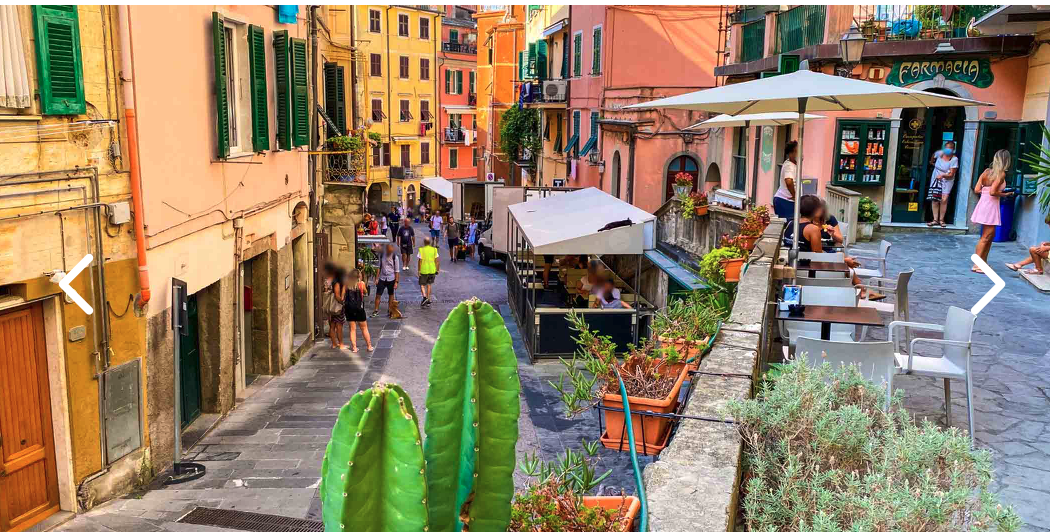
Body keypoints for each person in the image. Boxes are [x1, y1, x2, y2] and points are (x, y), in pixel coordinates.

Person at [971, 149, 1012, 273]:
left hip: (984, 203)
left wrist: (986, 189)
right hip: (991, 205)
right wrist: (1005, 194)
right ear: (1006, 161)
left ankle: (983, 262)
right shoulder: (1001, 174)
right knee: (986, 236)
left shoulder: (987, 172)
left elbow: (977, 189)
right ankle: (977, 265)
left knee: (990, 235)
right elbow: (993, 192)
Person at [926, 141, 960, 227]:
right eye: (947, 148)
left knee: (944, 199)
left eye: (950, 148)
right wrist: (932, 162)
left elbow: (951, 174)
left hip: (947, 180)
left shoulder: (954, 159)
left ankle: (941, 220)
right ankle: (935, 220)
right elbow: (932, 158)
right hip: (936, 178)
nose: (948, 150)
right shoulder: (939, 154)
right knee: (935, 198)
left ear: (953, 149)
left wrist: (943, 175)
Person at [343, 269, 374, 352]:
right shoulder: (361, 284)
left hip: (349, 309)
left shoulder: (346, 284)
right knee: (364, 328)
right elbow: (366, 292)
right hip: (359, 309)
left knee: (352, 329)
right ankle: (369, 346)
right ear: (358, 276)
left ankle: (354, 348)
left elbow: (342, 297)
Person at [322, 263, 346, 349]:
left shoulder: (336, 281)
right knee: (338, 326)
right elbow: (337, 295)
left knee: (332, 325)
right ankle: (340, 344)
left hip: (334, 306)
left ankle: (334, 344)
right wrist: (342, 303)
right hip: (337, 306)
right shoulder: (337, 283)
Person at [373, 243, 401, 318]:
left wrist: (396, 282)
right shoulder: (382, 255)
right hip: (382, 278)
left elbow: (397, 271)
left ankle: (390, 310)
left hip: (391, 278)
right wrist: (376, 278)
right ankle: (376, 310)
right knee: (378, 295)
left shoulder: (395, 257)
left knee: (391, 295)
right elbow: (379, 267)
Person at [773, 140, 798, 220]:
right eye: (797, 151)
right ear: (791, 153)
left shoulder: (793, 164)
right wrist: (795, 196)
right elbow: (789, 182)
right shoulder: (789, 166)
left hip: (787, 201)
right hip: (785, 201)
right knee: (788, 225)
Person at [417, 237, 440, 308]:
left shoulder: (421, 250)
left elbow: (420, 261)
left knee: (422, 284)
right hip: (432, 270)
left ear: (424, 242)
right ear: (430, 242)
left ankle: (424, 297)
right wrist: (437, 270)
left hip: (424, 270)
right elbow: (437, 261)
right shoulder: (434, 250)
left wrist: (419, 270)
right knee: (429, 284)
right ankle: (428, 300)